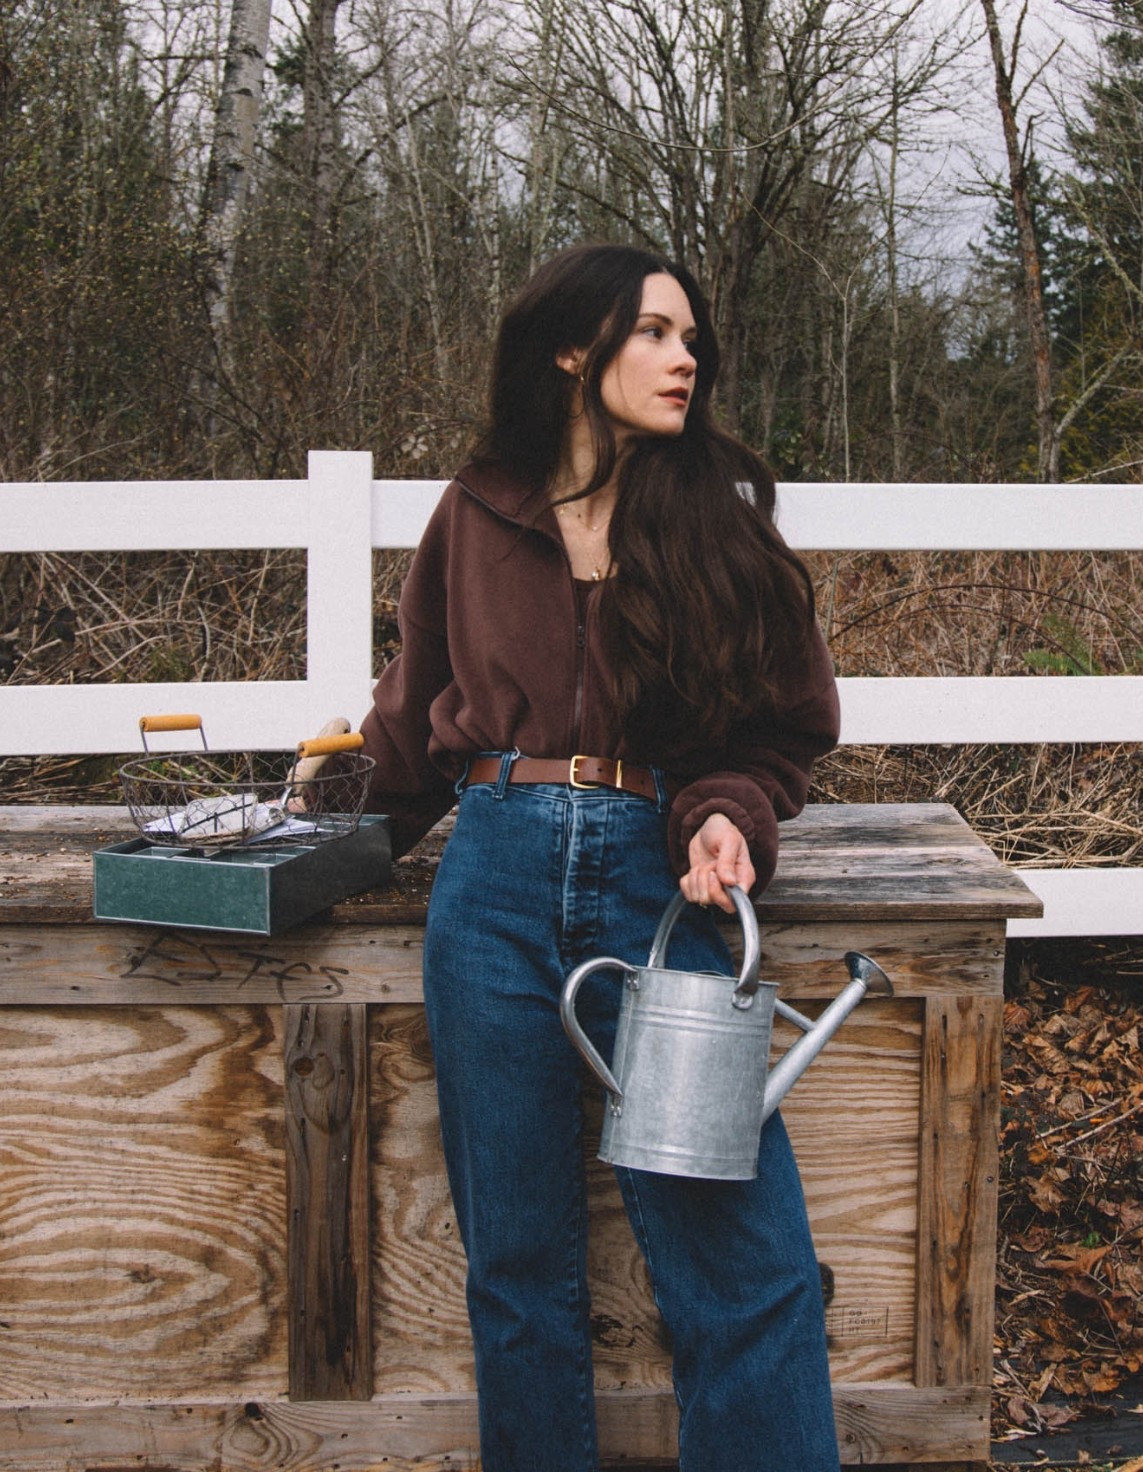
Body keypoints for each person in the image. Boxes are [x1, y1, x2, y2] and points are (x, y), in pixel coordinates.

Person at [359, 242, 842, 1472]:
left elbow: (777, 727)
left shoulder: (715, 520)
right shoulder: (472, 513)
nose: (685, 360)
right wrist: (297, 831)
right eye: (655, 334)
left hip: (659, 894)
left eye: (691, 341)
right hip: (493, 888)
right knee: (517, 1268)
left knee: (743, 1260)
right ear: (575, 348)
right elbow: (411, 725)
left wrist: (728, 809)